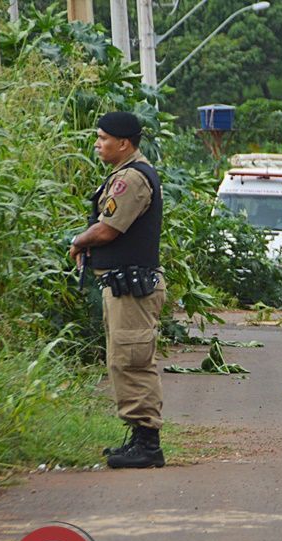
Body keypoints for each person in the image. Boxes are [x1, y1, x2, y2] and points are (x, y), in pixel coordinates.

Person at [68, 112, 167, 468]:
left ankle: (148, 445)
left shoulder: (131, 179)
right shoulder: (126, 174)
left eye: (103, 138)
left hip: (133, 287)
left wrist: (78, 241)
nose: (97, 144)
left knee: (133, 359)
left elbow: (109, 228)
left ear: (124, 143)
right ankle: (138, 438)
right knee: (123, 360)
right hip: (123, 285)